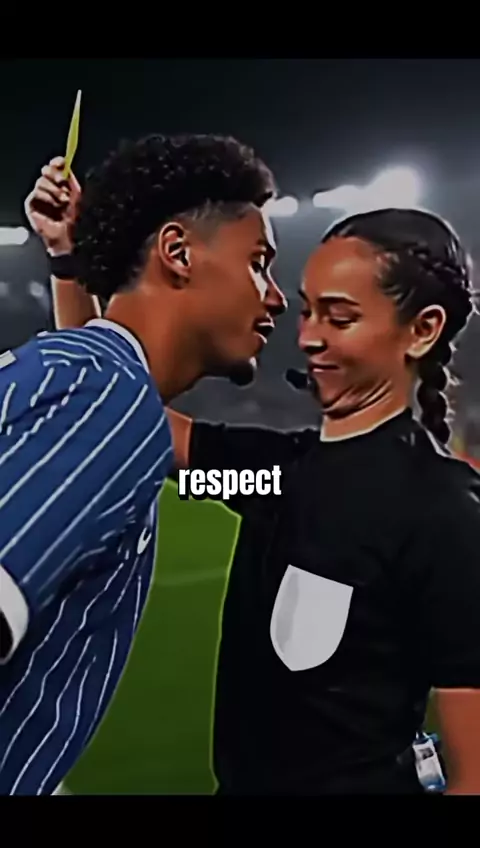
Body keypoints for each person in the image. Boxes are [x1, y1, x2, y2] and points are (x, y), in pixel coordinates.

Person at [31, 177, 480, 793]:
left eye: (340, 317)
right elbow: (113, 405)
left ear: (422, 330)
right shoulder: (273, 477)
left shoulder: (445, 510)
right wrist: (68, 259)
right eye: (309, 311)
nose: (309, 338)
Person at [0, 135, 286, 796]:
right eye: (258, 263)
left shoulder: (68, 372)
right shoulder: (113, 398)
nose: (277, 298)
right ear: (178, 253)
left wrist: (68, 259)